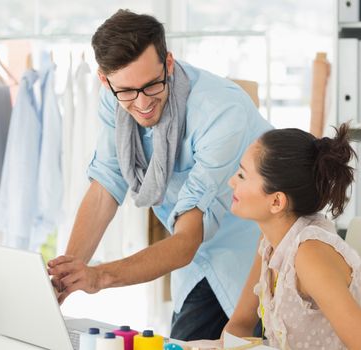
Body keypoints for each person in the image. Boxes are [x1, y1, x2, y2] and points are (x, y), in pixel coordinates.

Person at [47, 9, 273, 341]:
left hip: (251, 255)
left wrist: (98, 277)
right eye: (126, 90)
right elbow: (104, 188)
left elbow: (185, 241)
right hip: (197, 267)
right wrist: (66, 278)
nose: (141, 103)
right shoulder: (114, 100)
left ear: (168, 64)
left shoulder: (219, 113)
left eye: (151, 85)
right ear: (104, 80)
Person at [223, 124, 361, 349]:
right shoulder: (269, 242)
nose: (231, 182)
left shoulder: (310, 254)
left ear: (276, 202)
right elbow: (240, 324)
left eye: (242, 175)